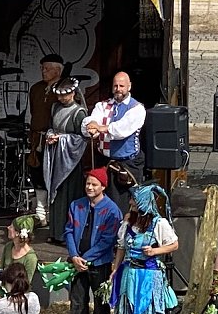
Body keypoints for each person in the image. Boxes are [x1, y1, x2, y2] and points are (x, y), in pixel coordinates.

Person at [107, 183, 179, 314]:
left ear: (144, 203)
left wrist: (155, 250)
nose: (130, 202)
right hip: (130, 276)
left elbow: (174, 244)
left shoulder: (159, 224)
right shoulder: (128, 224)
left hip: (149, 277)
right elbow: (121, 248)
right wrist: (115, 269)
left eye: (134, 200)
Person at [60, 168, 122, 314]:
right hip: (78, 264)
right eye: (88, 183)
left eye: (94, 184)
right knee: (78, 302)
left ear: (103, 186)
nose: (90, 187)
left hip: (99, 264)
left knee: (101, 304)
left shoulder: (112, 210)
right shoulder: (76, 206)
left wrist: (85, 258)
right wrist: (74, 256)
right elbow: (69, 231)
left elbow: (108, 240)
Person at [83, 71, 145, 211]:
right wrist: (92, 125)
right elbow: (94, 118)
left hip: (127, 164)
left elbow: (122, 130)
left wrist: (100, 127)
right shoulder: (103, 105)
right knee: (102, 201)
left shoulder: (137, 108)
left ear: (129, 87)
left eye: (122, 86)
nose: (118, 89)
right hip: (105, 161)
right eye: (115, 85)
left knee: (123, 204)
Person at [43, 77, 88, 245]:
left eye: (66, 95)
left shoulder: (79, 112)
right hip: (57, 158)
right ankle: (54, 231)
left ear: (73, 93)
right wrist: (50, 136)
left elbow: (81, 139)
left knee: (69, 196)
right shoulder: (55, 107)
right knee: (56, 194)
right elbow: (50, 127)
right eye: (60, 96)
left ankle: (66, 234)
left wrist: (61, 139)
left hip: (71, 162)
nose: (62, 99)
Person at [27, 53, 63, 227]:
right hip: (37, 140)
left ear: (58, 70)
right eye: (42, 68)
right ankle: (40, 213)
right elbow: (34, 112)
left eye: (47, 68)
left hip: (54, 141)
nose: (43, 71)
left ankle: (53, 214)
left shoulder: (64, 89)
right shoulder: (35, 89)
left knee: (53, 177)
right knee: (38, 175)